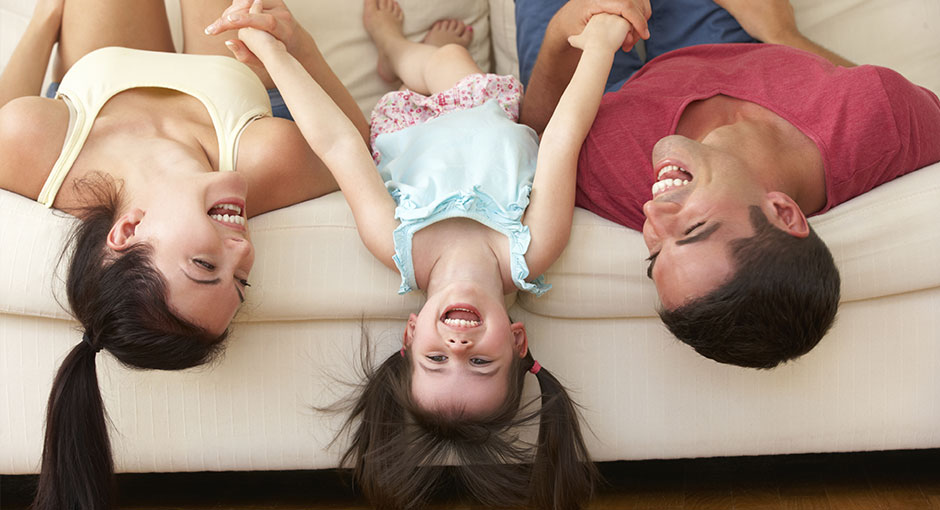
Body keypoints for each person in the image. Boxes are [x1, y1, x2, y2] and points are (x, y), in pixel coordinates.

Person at [223, 0, 635, 506]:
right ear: (517, 339)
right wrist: (600, 47)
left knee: (428, 65)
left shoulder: (397, 247)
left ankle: (393, 48)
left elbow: (339, 145)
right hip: (479, 106)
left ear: (413, 332)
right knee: (448, 62)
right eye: (481, 363)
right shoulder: (531, 249)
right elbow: (562, 140)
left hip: (402, 128)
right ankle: (409, 50)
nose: (458, 348)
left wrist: (274, 56)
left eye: (436, 359)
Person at [0, 0, 367, 508]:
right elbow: (355, 145)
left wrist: (46, 19)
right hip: (229, 99)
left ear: (127, 230)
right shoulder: (265, 159)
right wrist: (295, 45)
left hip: (94, 81)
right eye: (240, 280)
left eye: (204, 266)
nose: (241, 251)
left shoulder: (38, 149)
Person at [517, 0, 940, 369]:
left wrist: (562, 30)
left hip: (603, 86)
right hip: (742, 49)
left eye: (655, 254)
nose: (654, 217)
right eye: (694, 229)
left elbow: (539, 136)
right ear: (782, 212)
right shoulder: (879, 119)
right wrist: (779, 30)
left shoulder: (614, 173)